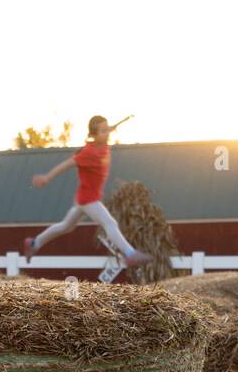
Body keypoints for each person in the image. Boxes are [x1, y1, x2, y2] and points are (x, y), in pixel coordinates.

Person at [22, 115, 151, 271]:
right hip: (89, 199)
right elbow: (67, 164)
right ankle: (130, 254)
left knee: (65, 226)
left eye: (107, 129)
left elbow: (108, 129)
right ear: (93, 136)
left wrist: (122, 121)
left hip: (83, 199)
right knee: (110, 223)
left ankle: (34, 243)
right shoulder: (89, 153)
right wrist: (47, 177)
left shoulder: (102, 140)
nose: (107, 133)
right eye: (103, 131)